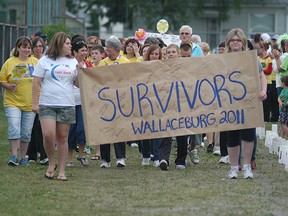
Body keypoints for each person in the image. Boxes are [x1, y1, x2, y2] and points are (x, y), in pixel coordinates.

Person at [32, 32, 78, 181]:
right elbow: (36, 82)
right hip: (47, 104)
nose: (70, 46)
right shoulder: (45, 61)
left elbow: (77, 84)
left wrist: (83, 71)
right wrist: (34, 103)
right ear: (59, 44)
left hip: (67, 104)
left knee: (63, 138)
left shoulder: (73, 62)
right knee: (48, 135)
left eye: (70, 44)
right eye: (68, 44)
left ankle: (62, 170)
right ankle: (51, 163)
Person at [224, 28, 267, 179]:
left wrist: (263, 91)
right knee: (232, 135)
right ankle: (234, 167)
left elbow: (261, 75)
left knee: (248, 134)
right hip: (229, 102)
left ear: (243, 42)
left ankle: (247, 166)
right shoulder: (222, 59)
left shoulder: (251, 58)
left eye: (238, 40)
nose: (235, 42)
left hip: (248, 101)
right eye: (232, 40)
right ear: (228, 42)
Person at [0, 36, 38, 166]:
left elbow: (41, 79)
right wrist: (9, 86)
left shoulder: (35, 62)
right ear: (18, 48)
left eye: (28, 47)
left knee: (26, 132)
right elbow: (2, 79)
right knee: (14, 128)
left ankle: (23, 157)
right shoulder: (10, 62)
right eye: (24, 47)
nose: (27, 50)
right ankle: (13, 156)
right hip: (12, 102)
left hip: (30, 102)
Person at [98, 36, 130, 168]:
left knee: (118, 129)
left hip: (120, 100)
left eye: (110, 50)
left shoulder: (125, 62)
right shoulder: (102, 63)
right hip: (105, 101)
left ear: (117, 50)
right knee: (105, 129)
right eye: (107, 49)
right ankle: (105, 159)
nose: (108, 52)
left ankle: (120, 158)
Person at [66, 38, 93, 168]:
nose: (85, 52)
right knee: (70, 130)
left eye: (86, 50)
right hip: (70, 101)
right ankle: (69, 158)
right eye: (82, 50)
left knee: (82, 130)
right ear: (75, 52)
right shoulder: (68, 64)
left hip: (83, 102)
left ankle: (81, 155)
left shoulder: (87, 64)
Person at [26, 36, 48, 164]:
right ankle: (32, 153)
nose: (38, 49)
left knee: (41, 126)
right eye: (36, 46)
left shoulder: (45, 61)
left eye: (40, 46)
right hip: (31, 97)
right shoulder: (30, 61)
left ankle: (43, 153)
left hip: (43, 97)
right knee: (32, 126)